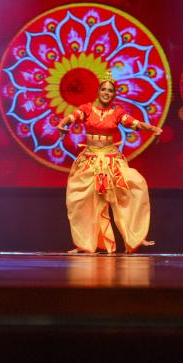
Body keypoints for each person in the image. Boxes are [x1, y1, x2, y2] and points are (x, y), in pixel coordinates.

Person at [58, 76, 163, 254]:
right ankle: (84, 244)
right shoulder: (87, 109)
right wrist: (62, 124)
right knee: (82, 200)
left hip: (111, 160)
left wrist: (153, 129)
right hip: (90, 160)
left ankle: (135, 236)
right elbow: (72, 117)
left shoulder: (117, 113)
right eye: (104, 89)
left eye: (110, 91)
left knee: (133, 187)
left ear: (114, 94)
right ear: (98, 91)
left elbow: (135, 123)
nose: (106, 93)